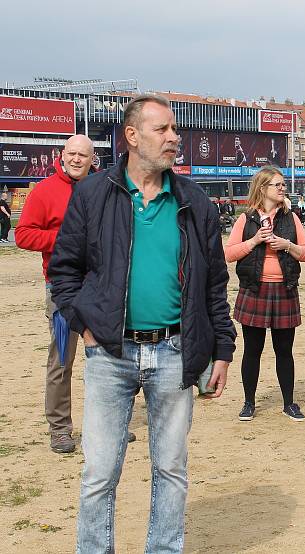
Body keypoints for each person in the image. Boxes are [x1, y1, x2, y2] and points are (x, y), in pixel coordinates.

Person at [48, 94, 236, 552]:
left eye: (175, 130)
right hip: (109, 354)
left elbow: (214, 284)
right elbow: (64, 270)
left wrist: (223, 351)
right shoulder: (94, 194)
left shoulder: (195, 201)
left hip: (175, 353)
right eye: (163, 130)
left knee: (171, 468)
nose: (174, 138)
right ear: (132, 136)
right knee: (99, 472)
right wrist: (84, 326)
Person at [16, 135, 104, 454]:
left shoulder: (102, 188)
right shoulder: (44, 191)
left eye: (84, 155)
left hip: (99, 287)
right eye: (72, 154)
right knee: (62, 360)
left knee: (106, 357)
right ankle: (60, 429)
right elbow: (23, 234)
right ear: (62, 155)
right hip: (62, 287)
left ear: (92, 159)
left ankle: (106, 423)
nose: (77, 159)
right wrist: (65, 239)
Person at [224, 167, 305, 422]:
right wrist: (254, 241)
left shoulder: (291, 218)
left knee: (284, 350)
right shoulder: (247, 218)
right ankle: (248, 403)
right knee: (252, 349)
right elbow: (228, 254)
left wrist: (288, 245)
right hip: (255, 289)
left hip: (284, 290)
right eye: (277, 185)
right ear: (263, 188)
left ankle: (289, 403)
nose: (282, 188)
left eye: (283, 184)